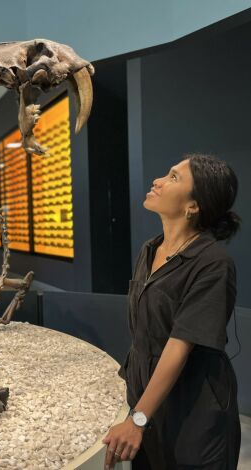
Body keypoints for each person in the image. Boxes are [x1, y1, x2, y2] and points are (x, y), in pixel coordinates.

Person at [102, 153, 242, 470]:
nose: (158, 181)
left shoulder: (212, 263)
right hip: (149, 408)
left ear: (193, 206)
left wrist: (138, 419)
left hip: (194, 415)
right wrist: (136, 410)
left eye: (174, 177)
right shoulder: (150, 249)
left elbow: (179, 345)